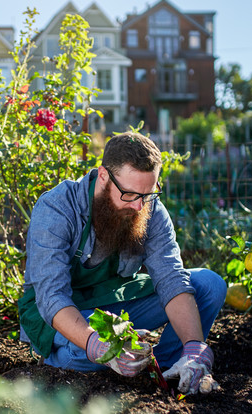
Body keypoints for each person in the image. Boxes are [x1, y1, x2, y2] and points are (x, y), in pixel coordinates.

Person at [18, 131, 227, 395]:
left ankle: (168, 369)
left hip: (114, 302)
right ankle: (61, 362)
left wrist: (195, 347)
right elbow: (51, 297)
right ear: (103, 176)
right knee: (82, 353)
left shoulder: (148, 208)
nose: (140, 206)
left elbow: (171, 278)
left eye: (148, 194)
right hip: (61, 312)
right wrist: (96, 344)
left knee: (209, 285)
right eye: (129, 194)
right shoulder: (58, 208)